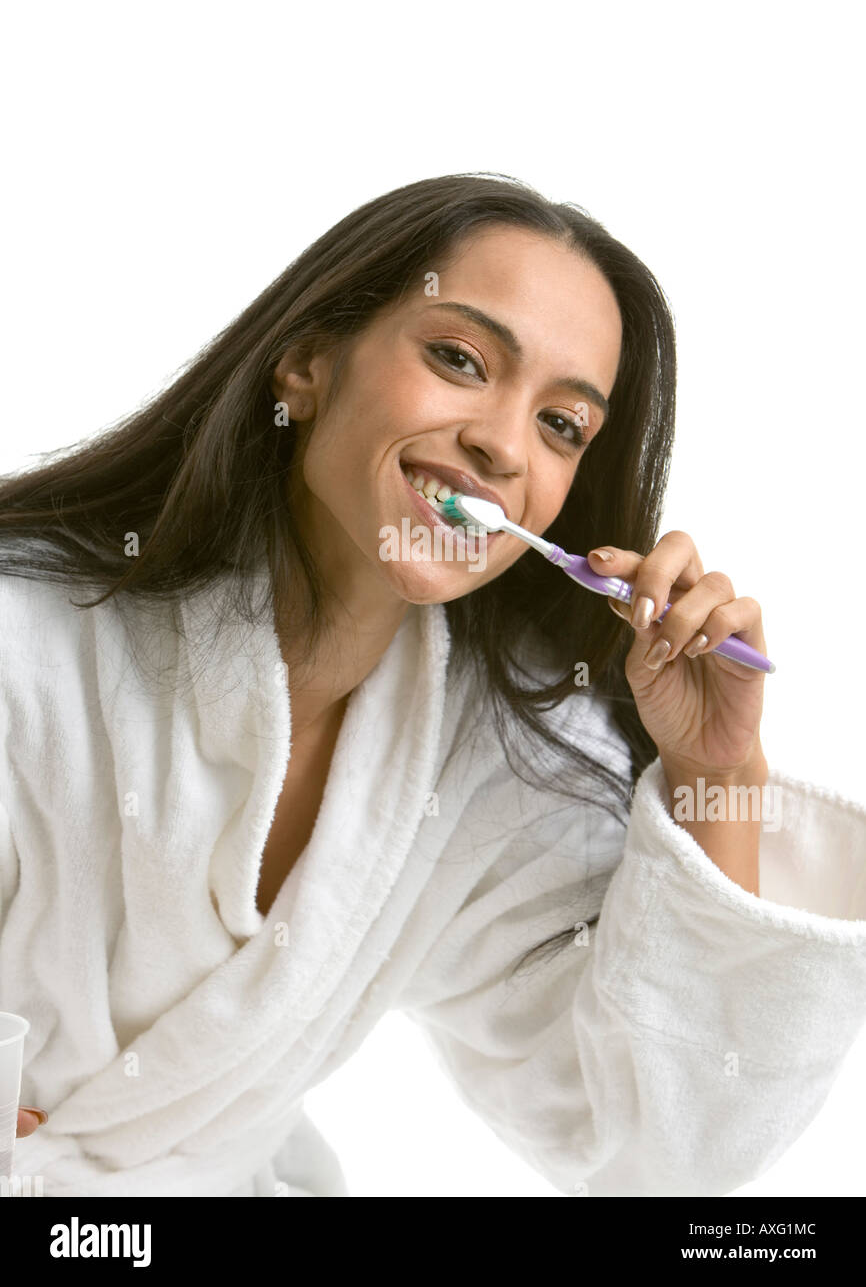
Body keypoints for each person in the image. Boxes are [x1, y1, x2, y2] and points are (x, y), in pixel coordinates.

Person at [3, 173, 865, 1197]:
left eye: (560, 425)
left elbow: (659, 1154)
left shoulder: (486, 766)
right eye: (458, 360)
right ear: (307, 365)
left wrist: (714, 769)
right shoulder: (31, 644)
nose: (500, 444)